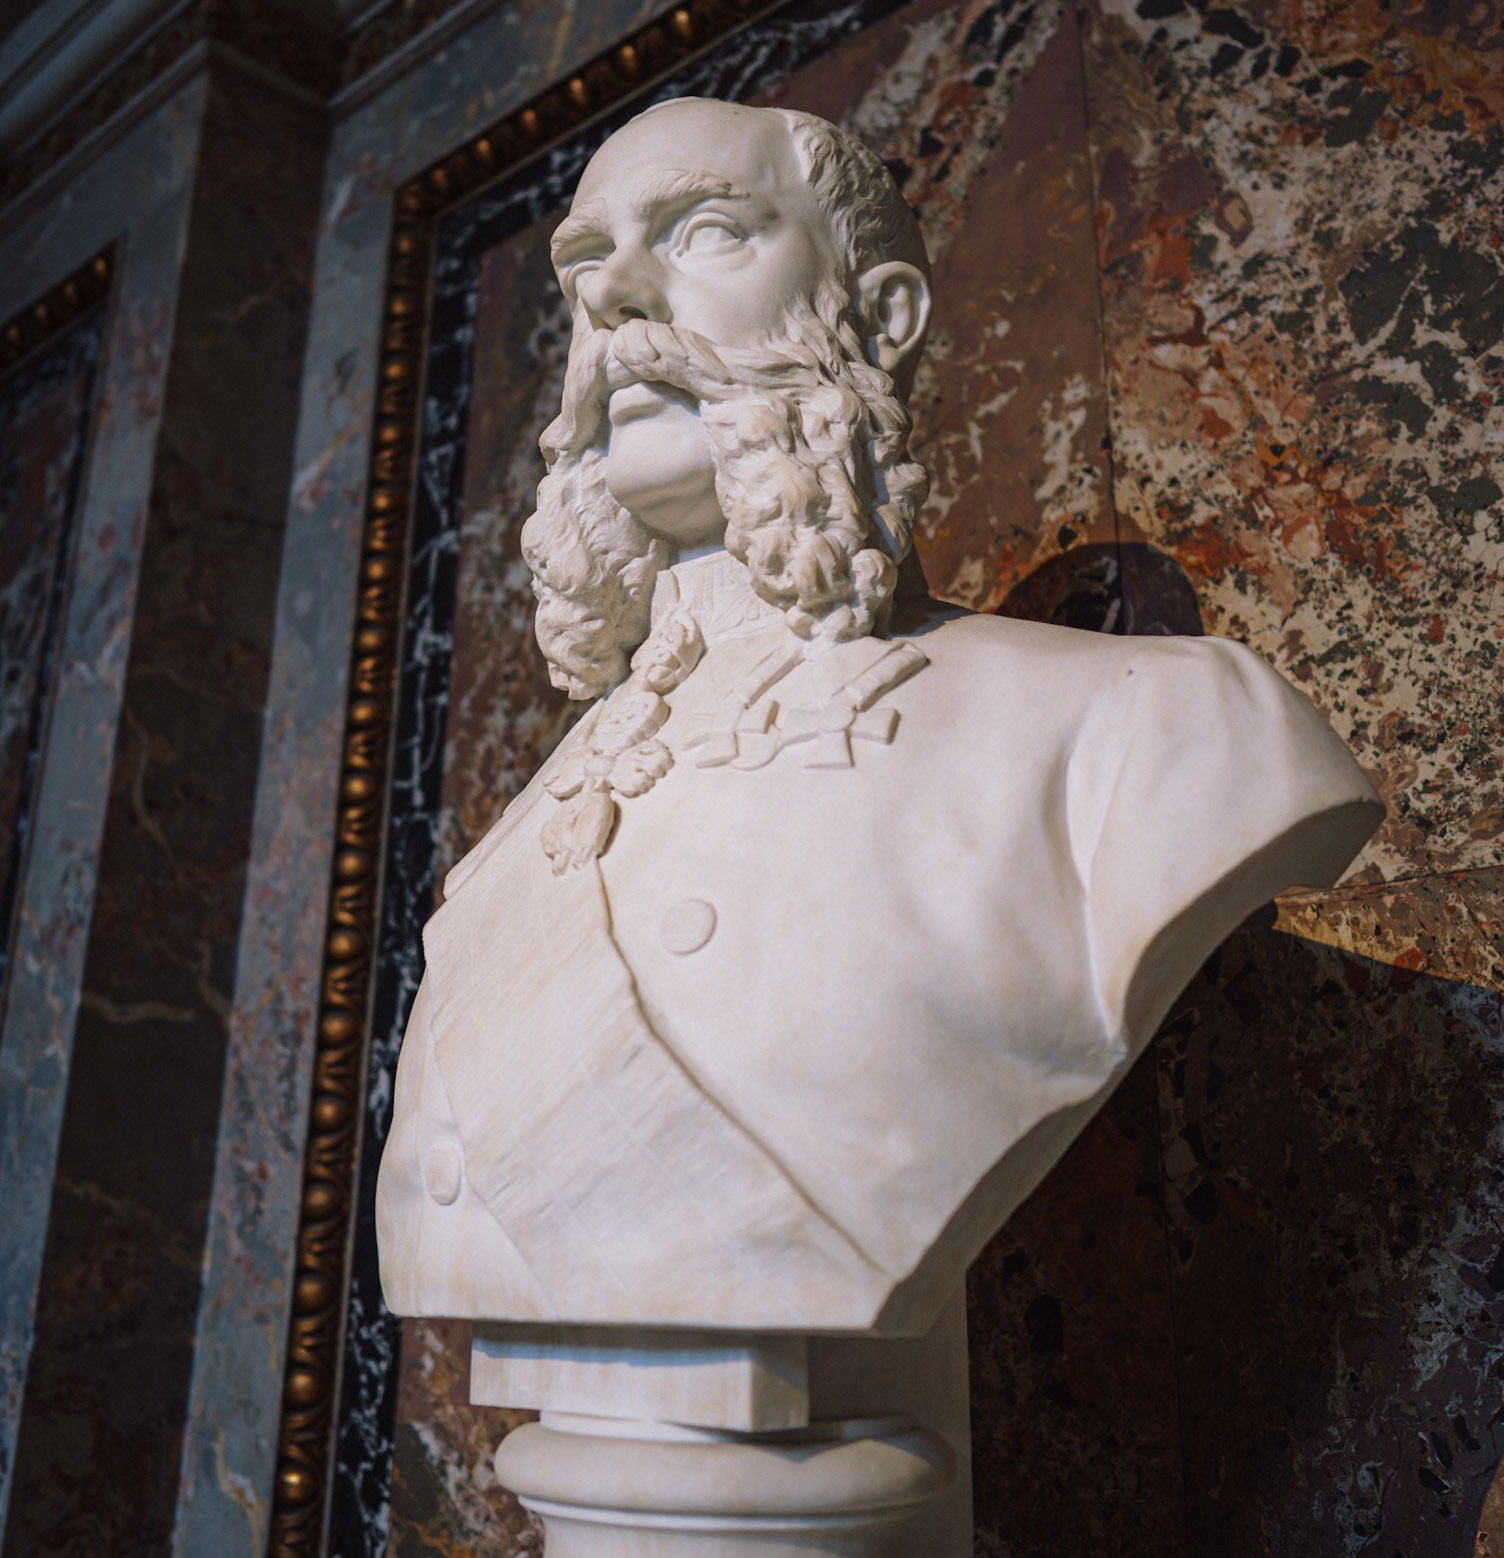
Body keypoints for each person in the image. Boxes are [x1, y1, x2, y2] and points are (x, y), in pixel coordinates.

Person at [377, 97, 1382, 1333]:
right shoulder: (515, 839)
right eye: (588, 270)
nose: (618, 301)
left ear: (882, 315)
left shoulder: (1156, 733)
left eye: (702, 232)